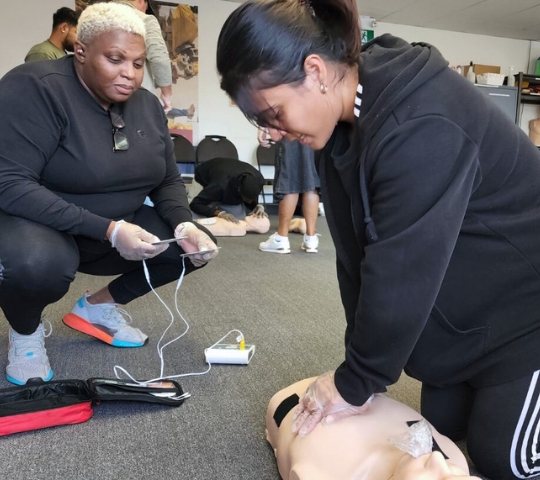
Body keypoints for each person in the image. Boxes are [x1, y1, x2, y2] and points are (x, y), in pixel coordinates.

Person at [216, 1, 540, 478]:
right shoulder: (339, 127)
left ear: (315, 71)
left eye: (273, 113)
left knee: (504, 459)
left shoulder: (420, 124)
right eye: (259, 121)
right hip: (470, 315)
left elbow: (401, 270)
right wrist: (360, 373)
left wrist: (354, 382)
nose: (273, 132)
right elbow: (356, 259)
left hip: (525, 316)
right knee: (436, 430)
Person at [0, 2, 218, 387]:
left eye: (137, 64)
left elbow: (166, 180)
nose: (130, 75)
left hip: (115, 227)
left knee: (192, 248)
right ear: (81, 50)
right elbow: (10, 183)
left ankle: (97, 308)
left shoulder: (147, 106)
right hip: (40, 226)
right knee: (36, 265)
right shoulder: (34, 88)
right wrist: (110, 230)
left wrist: (184, 222)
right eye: (115, 59)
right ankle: (26, 332)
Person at [267, 377, 480, 480]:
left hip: (289, 406)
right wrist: (356, 380)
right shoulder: (454, 457)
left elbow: (301, 471)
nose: (438, 459)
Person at [257, 129, 320, 254]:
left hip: (290, 125)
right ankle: (311, 238)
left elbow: (274, 108)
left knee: (290, 175)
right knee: (311, 178)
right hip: (315, 125)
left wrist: (263, 126)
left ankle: (281, 238)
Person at [112, 0, 174, 113]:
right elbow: (158, 57)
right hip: (135, 100)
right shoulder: (144, 19)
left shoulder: (97, 18)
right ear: (141, 1)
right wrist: (167, 95)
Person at [190, 158, 265, 223]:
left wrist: (256, 206)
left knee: (238, 220)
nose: (249, 202)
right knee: (191, 217)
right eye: (246, 199)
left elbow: (250, 196)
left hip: (225, 178)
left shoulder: (258, 180)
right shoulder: (220, 185)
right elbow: (195, 204)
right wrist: (219, 213)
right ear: (239, 189)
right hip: (203, 179)